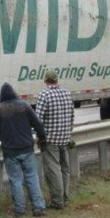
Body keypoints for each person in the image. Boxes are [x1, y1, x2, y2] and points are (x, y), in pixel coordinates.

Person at [0, 83, 47, 217]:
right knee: (32, 177)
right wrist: (42, 138)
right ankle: (38, 207)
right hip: (27, 149)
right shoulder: (24, 106)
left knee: (15, 180)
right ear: (14, 93)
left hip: (10, 152)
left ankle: (20, 209)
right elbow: (38, 124)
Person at [33, 70, 74, 209]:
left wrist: (39, 138)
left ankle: (57, 201)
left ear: (45, 80)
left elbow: (38, 120)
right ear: (57, 80)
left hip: (50, 140)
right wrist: (68, 133)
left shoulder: (44, 95)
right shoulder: (67, 93)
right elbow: (72, 116)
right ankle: (65, 198)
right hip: (64, 138)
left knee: (53, 170)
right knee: (64, 169)